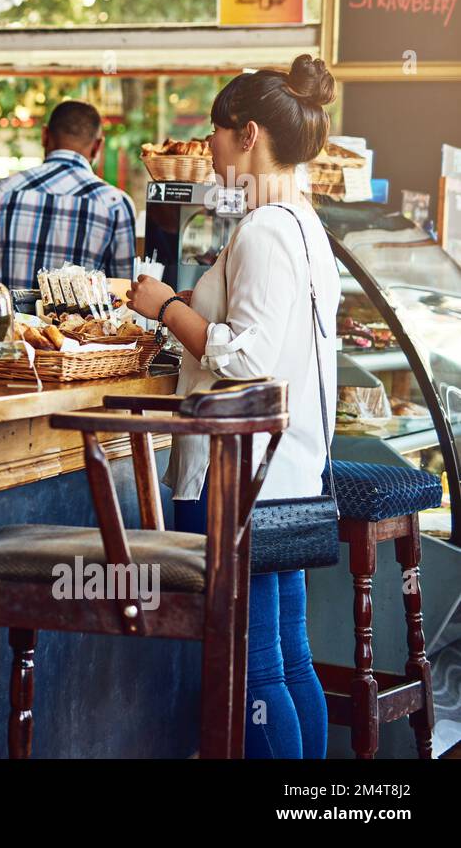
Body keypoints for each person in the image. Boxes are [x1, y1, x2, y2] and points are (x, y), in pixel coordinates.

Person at [125, 54, 339, 759]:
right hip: (290, 472)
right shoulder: (303, 225)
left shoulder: (266, 231)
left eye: (214, 133)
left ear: (247, 133)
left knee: (255, 667)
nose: (208, 148)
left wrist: (167, 307)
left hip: (238, 480)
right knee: (286, 656)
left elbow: (248, 357)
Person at [0, 100, 135, 285]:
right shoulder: (115, 204)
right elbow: (122, 291)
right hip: (84, 316)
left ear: (44, 135)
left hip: (9, 315)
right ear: (98, 146)